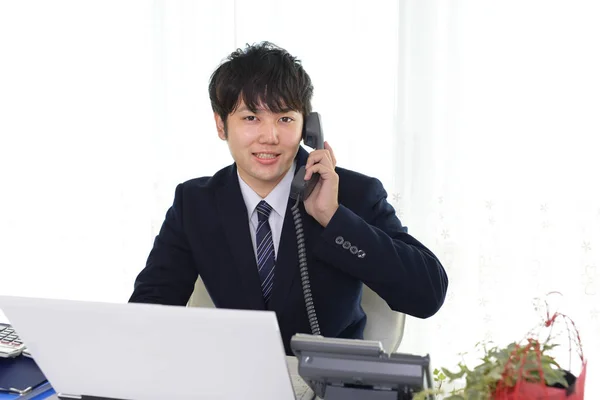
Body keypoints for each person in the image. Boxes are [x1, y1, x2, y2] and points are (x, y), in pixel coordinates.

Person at [129, 41, 448, 355]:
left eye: (284, 118)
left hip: (332, 387)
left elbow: (428, 294)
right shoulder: (194, 204)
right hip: (239, 383)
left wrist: (333, 218)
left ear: (307, 126)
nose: (270, 137)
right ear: (220, 125)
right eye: (251, 118)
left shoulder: (354, 194)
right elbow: (147, 312)